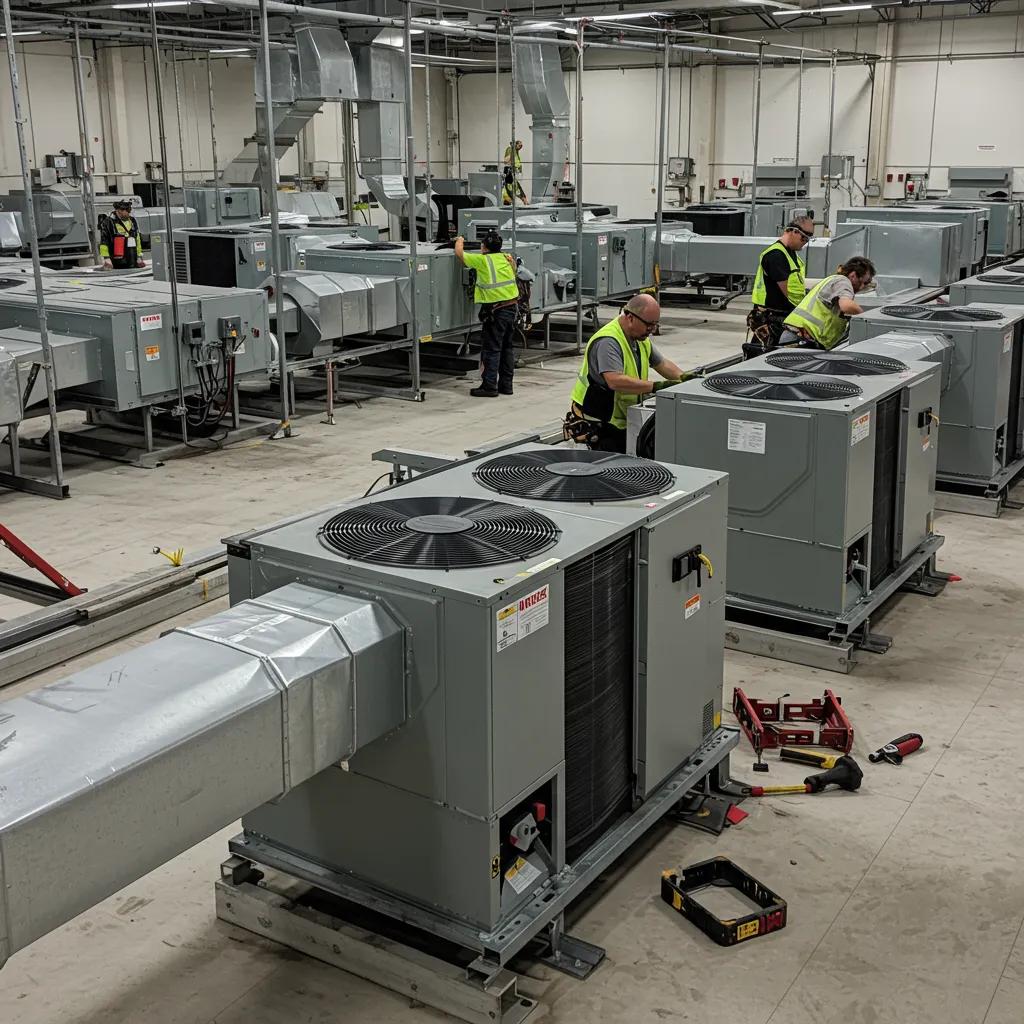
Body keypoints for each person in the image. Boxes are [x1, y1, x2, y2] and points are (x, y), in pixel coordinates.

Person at [566, 293, 691, 453]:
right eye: (649, 324)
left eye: (655, 324)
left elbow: (662, 363)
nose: (652, 329)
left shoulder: (640, 339)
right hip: (599, 423)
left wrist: (685, 379)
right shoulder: (608, 341)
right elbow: (615, 380)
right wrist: (656, 387)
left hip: (622, 421)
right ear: (630, 317)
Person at [454, 230, 520, 398]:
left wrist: (459, 239)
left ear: (483, 247)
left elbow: (459, 253)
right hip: (512, 308)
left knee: (492, 349)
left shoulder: (482, 260)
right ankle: (506, 386)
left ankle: (489, 386)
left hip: (496, 311)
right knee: (507, 348)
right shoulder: (506, 258)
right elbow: (514, 271)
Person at [746, 216, 815, 352]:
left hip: (781, 315)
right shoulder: (776, 255)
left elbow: (796, 285)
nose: (805, 243)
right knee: (765, 353)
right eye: (804, 238)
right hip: (771, 317)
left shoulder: (790, 253)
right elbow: (788, 293)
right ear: (793, 231)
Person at [780, 256, 876, 350]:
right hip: (802, 338)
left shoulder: (832, 280)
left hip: (798, 336)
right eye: (863, 282)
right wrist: (866, 318)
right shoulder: (843, 282)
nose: (862, 287)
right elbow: (846, 305)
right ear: (853, 275)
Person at [99, 199, 145, 271]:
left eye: (128, 210)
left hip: (132, 260)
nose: (127, 213)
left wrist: (139, 256)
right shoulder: (109, 222)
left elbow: (137, 239)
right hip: (117, 262)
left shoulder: (132, 220)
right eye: (124, 210)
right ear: (118, 210)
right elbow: (104, 241)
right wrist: (106, 258)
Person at [501, 139, 528, 206]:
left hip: (514, 172)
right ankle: (523, 201)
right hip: (510, 171)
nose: (520, 147)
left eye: (521, 146)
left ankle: (524, 201)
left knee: (515, 188)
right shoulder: (510, 149)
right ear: (515, 144)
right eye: (519, 145)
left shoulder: (516, 151)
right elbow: (506, 161)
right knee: (511, 188)